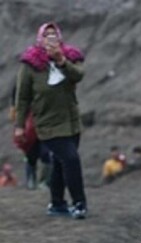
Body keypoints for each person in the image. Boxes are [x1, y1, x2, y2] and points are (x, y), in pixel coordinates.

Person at [13, 22, 88, 218]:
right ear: (40, 39)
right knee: (71, 159)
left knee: (60, 162)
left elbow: (79, 76)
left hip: (71, 121)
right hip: (46, 123)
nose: (50, 39)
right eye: (47, 36)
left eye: (54, 35)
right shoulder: (30, 64)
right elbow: (22, 98)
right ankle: (80, 203)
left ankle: (57, 204)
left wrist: (62, 61)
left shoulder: (69, 56)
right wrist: (19, 126)